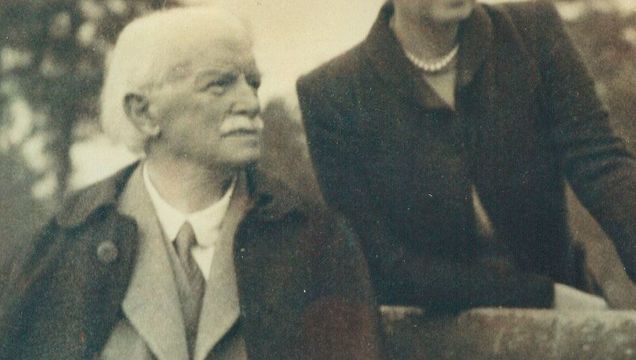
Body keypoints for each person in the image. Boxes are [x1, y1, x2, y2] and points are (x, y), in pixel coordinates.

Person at [0, 7, 382, 360]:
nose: (250, 103)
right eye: (219, 84)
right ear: (144, 112)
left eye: (252, 83)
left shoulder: (317, 243)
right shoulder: (61, 249)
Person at [296, 0, 636, 313]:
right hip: (437, 339)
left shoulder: (532, 32)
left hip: (573, 322)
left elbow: (602, 164)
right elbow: (381, 265)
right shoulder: (332, 95)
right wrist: (542, 297)